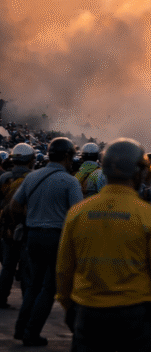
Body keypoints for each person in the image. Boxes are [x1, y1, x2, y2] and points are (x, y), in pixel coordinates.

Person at [55, 138, 151, 350]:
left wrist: (68, 306)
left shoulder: (78, 213)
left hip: (89, 314)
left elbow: (63, 269)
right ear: (138, 172)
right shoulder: (149, 215)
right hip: (135, 317)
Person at [11, 137, 83, 346]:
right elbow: (77, 216)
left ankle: (20, 329)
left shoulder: (32, 178)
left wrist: (28, 220)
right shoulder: (70, 181)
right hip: (56, 238)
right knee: (49, 288)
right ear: (67, 156)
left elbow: (14, 207)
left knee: (33, 286)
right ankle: (31, 333)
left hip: (33, 236)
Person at [0, 143, 36, 309]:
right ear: (31, 160)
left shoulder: (4, 178)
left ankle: (1, 298)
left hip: (7, 229)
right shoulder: (34, 178)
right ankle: (27, 301)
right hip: (26, 229)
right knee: (26, 268)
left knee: (7, 266)